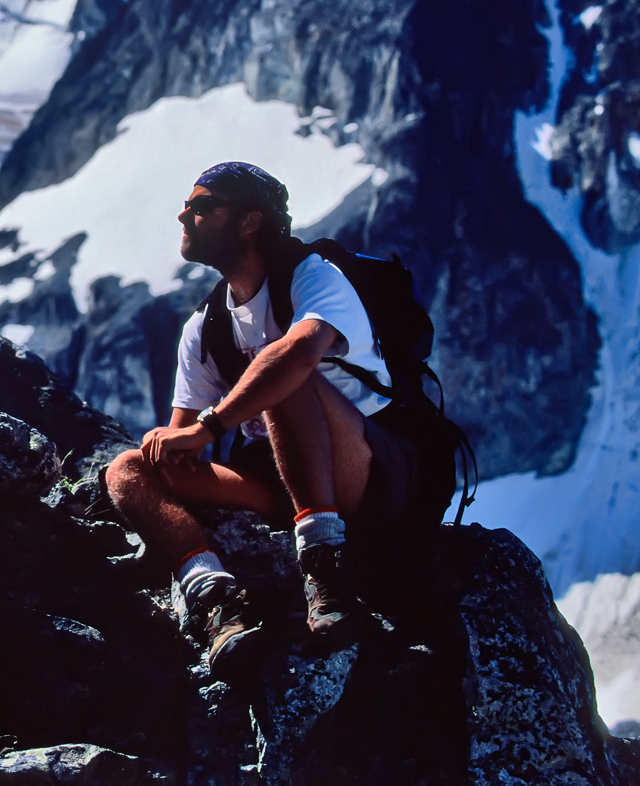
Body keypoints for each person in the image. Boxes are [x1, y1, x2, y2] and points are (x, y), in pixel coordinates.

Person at [104, 161, 424, 680]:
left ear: (250, 221)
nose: (183, 216)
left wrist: (209, 427)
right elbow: (178, 442)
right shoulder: (206, 326)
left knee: (283, 372)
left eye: (202, 206)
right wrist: (169, 443)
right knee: (128, 471)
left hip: (368, 472)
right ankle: (213, 597)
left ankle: (325, 566)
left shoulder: (313, 275)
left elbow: (300, 353)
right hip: (277, 481)